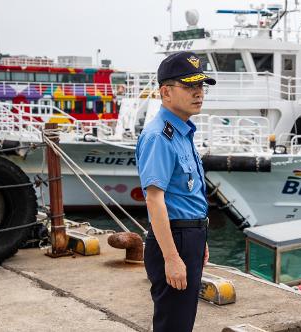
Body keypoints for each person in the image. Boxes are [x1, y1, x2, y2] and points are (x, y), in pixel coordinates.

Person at [136, 51, 216, 332]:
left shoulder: (181, 132)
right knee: (173, 324)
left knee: (182, 321)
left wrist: (200, 235)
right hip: (174, 239)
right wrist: (171, 257)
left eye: (201, 86)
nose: (198, 93)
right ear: (166, 92)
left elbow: (185, 195)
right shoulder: (160, 136)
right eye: (190, 86)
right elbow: (154, 198)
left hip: (188, 236)